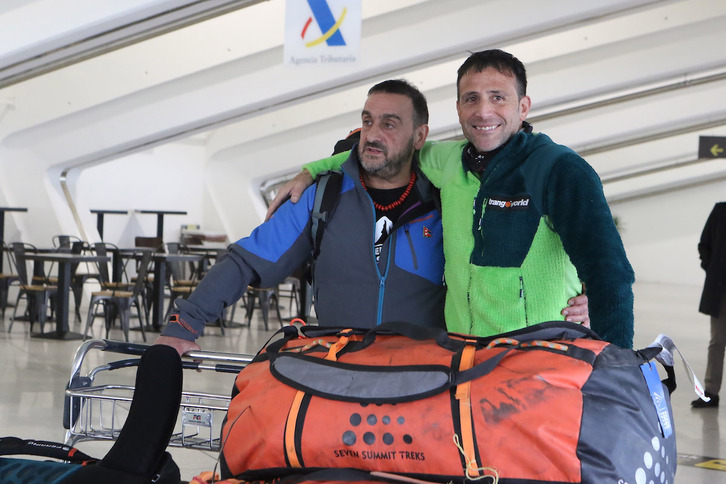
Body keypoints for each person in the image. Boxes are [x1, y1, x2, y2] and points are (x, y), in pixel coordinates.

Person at [270, 49, 631, 347]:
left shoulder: (559, 170)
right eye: (471, 99)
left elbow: (609, 274)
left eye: (498, 98)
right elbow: (383, 152)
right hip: (463, 359)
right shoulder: (448, 161)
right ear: (458, 108)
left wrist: (618, 369)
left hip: (537, 362)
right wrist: (312, 170)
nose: (483, 111)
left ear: (523, 107)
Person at [155, 79, 445, 355]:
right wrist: (183, 325)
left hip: (421, 380)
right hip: (338, 376)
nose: (372, 134)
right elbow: (245, 261)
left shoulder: (444, 203)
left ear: (419, 136)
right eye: (367, 121)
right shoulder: (321, 197)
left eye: (389, 124)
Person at [692, 202, 726, 408]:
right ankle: (711, 392)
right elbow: (704, 244)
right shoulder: (720, 211)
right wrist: (712, 268)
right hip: (721, 289)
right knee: (717, 342)